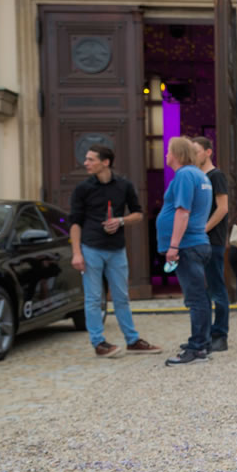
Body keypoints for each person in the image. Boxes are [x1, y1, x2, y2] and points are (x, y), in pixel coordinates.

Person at [67, 145, 162, 358]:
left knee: (121, 297)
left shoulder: (124, 185)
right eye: (86, 159)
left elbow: (138, 214)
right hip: (90, 248)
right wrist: (76, 253)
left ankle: (132, 341)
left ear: (105, 162)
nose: (86, 163)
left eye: (91, 159)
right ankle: (99, 343)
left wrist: (120, 221)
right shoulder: (82, 189)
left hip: (117, 249)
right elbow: (75, 222)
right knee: (93, 298)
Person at [156, 136, 214, 366]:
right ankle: (203, 342)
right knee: (201, 296)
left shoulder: (184, 175)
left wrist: (173, 246)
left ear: (178, 154)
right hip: (197, 243)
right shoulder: (200, 175)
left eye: (169, 151)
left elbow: (182, 211)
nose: (166, 155)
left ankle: (197, 349)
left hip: (188, 245)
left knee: (195, 298)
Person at [191, 136, 230, 352]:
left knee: (217, 288)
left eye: (196, 151)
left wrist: (203, 229)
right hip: (198, 240)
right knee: (201, 290)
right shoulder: (197, 177)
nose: (193, 155)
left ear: (208, 152)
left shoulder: (216, 176)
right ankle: (204, 335)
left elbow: (223, 208)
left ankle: (220, 334)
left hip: (212, 240)